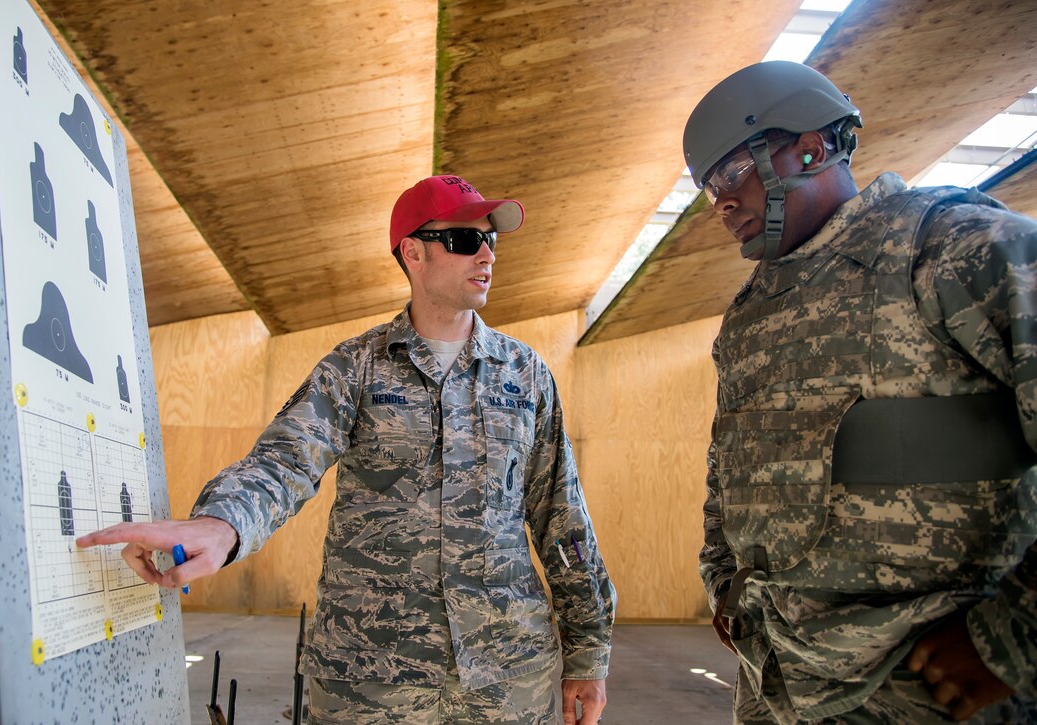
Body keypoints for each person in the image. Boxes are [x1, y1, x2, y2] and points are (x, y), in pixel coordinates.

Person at [78, 175, 616, 724]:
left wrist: (589, 652)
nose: (485, 254)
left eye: (490, 241)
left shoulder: (526, 377)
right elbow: (286, 460)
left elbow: (562, 519)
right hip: (371, 680)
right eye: (462, 240)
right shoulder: (356, 368)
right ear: (413, 252)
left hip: (504, 682)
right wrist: (222, 524)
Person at [683, 60, 1037, 723]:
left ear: (812, 148)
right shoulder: (751, 312)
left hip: (926, 691)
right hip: (778, 685)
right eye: (710, 188)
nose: (723, 202)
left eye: (733, 172)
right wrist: (724, 581)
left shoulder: (954, 249)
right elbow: (730, 461)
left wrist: (1010, 639)